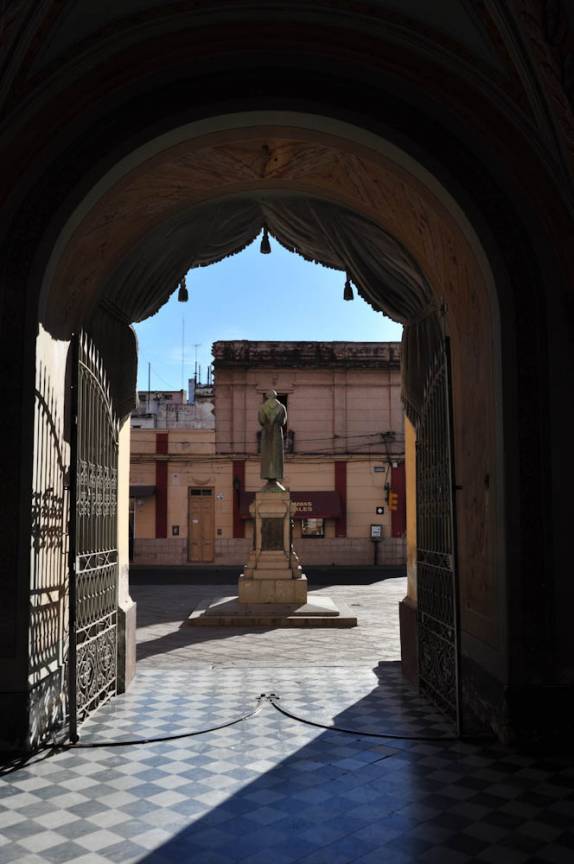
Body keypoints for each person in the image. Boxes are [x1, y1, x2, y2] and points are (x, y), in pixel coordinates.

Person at [258, 390, 286, 482]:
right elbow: (283, 421)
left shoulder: (262, 408)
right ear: (275, 396)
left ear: (267, 396)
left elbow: (261, 421)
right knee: (276, 455)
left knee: (267, 455)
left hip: (266, 434)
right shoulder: (281, 407)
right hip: (277, 433)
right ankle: (276, 474)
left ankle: (268, 474)